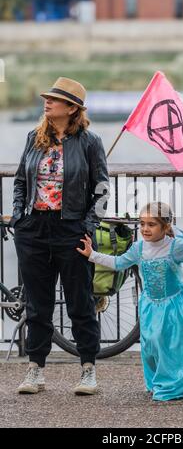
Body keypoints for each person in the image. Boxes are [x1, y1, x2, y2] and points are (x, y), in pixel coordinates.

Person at [11, 77, 110, 395]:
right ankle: (35, 369)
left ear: (72, 108)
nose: (47, 102)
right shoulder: (34, 137)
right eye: (47, 98)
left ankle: (88, 370)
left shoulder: (90, 142)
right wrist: (18, 217)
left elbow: (102, 189)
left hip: (72, 230)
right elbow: (19, 182)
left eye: (55, 99)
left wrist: (89, 227)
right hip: (33, 229)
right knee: (37, 304)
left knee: (80, 302)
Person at [77, 201, 183, 401]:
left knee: (172, 347)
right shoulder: (138, 248)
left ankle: (173, 384)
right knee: (151, 346)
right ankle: (157, 380)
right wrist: (92, 255)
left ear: (165, 227)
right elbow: (119, 263)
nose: (145, 229)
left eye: (151, 224)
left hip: (174, 306)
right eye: (142, 223)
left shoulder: (175, 248)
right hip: (150, 305)